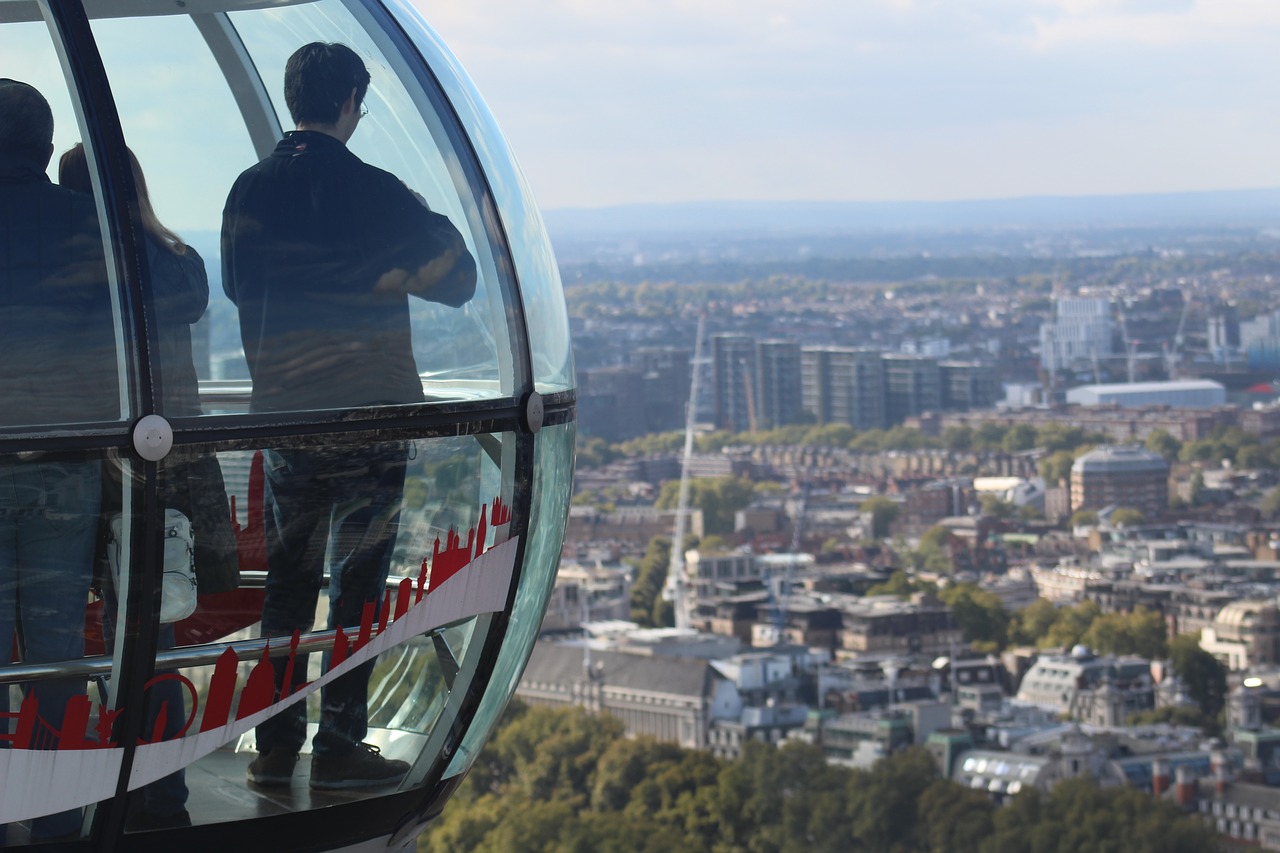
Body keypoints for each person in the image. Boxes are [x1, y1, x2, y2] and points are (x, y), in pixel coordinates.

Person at [221, 42, 476, 790]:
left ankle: (273, 744)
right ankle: (338, 740)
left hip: (286, 413)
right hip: (371, 411)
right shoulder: (376, 192)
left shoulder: (248, 190)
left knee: (287, 583)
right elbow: (457, 276)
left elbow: (240, 286)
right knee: (359, 579)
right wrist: (388, 275)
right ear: (350, 104)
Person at [60, 142, 239, 830]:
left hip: (88, 463)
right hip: (167, 466)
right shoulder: (176, 262)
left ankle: (86, 783)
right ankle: (159, 793)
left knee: (65, 634)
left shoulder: (70, 271)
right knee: (151, 634)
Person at [0, 78, 116, 843]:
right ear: (46, 149)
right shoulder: (87, 224)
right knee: (53, 654)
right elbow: (177, 292)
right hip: (66, 462)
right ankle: (50, 818)